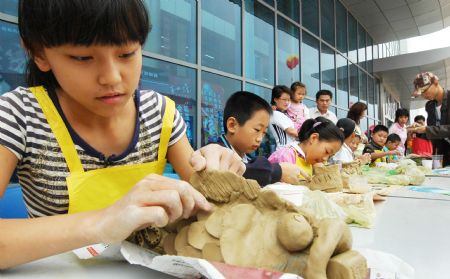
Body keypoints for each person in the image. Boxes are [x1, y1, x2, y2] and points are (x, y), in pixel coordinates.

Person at [0, 0, 245, 269]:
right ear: (39, 53)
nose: (111, 78)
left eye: (127, 53)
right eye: (83, 58)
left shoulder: (159, 113)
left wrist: (216, 172)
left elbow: (210, 206)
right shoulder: (18, 116)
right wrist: (103, 222)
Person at [218, 91, 311, 185]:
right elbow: (241, 170)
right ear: (232, 125)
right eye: (257, 130)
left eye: (264, 133)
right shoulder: (216, 154)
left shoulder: (247, 158)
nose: (260, 139)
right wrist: (278, 171)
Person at [268, 117, 344, 179]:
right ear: (314, 138)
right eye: (327, 152)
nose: (325, 159)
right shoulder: (286, 156)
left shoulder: (310, 160)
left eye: (330, 156)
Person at [411, 72, 450, 165]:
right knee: (439, 178)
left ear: (436, 82)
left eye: (425, 90)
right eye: (421, 93)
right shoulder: (430, 105)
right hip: (440, 153)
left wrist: (427, 129)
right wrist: (421, 129)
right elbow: (434, 130)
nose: (424, 95)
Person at [268, 85, 298, 150]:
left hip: (287, 150)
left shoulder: (281, 114)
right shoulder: (276, 114)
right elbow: (292, 132)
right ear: (275, 99)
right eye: (284, 99)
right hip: (284, 151)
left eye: (289, 100)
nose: (287, 102)